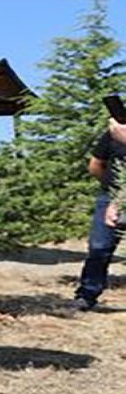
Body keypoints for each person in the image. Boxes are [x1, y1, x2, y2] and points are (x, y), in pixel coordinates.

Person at [71, 117, 126, 311]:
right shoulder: (113, 133)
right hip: (110, 197)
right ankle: (86, 294)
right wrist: (113, 189)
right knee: (99, 247)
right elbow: (95, 165)